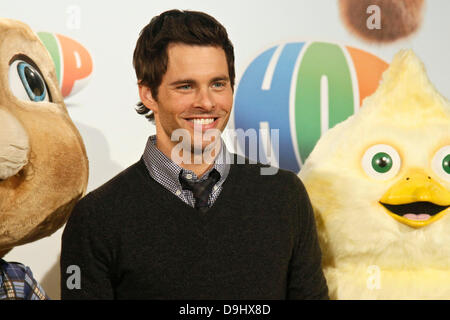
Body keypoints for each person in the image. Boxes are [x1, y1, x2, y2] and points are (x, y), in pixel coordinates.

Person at [60, 9, 328, 300]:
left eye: (218, 84)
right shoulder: (97, 218)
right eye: (186, 86)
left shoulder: (284, 195)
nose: (206, 102)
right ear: (149, 94)